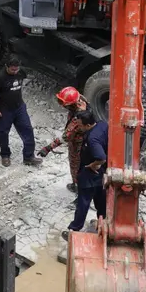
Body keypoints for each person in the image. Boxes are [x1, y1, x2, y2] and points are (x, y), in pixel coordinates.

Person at [62, 110, 108, 240]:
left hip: (90, 174)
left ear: (88, 125)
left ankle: (74, 229)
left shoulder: (92, 139)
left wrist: (93, 165)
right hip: (102, 173)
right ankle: (103, 223)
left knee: (83, 203)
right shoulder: (102, 125)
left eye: (81, 126)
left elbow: (101, 157)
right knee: (101, 200)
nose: (79, 128)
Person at [0, 56, 42, 167]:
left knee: (27, 129)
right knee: (3, 133)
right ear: (7, 67)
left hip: (19, 107)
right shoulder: (0, 77)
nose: (15, 71)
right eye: (12, 69)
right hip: (4, 109)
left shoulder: (20, 72)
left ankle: (28, 157)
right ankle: (5, 155)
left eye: (16, 69)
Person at [38, 87, 91, 194]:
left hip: (78, 145)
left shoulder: (78, 119)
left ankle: (80, 191)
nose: (62, 105)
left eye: (64, 103)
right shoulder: (81, 99)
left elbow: (66, 137)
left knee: (77, 167)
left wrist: (48, 148)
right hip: (84, 141)